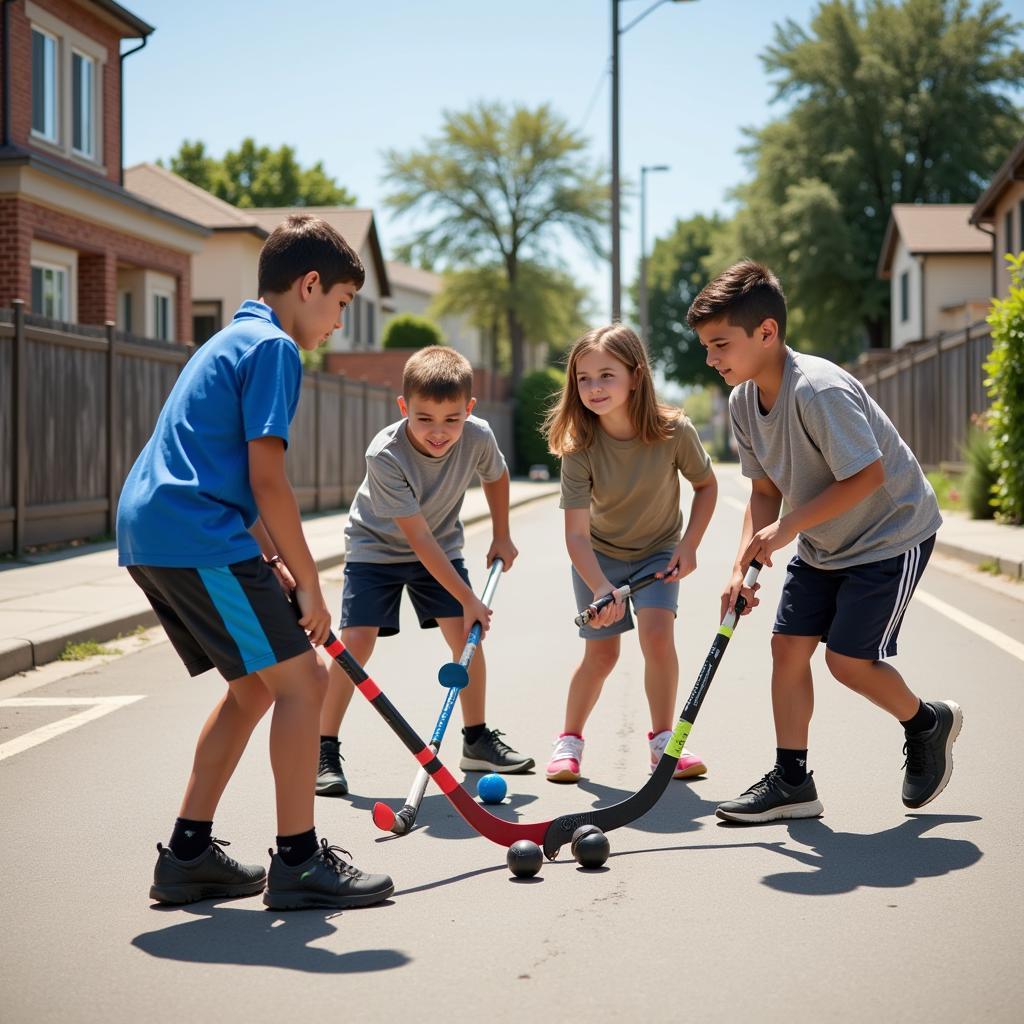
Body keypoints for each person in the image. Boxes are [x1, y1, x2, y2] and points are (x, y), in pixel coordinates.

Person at [117, 214, 394, 909]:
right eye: (339, 304)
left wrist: (264, 553)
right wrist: (310, 582)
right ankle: (298, 861)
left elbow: (218, 464)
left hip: (159, 529)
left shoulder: (230, 337)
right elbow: (267, 478)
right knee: (305, 682)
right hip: (196, 534)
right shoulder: (274, 348)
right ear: (308, 286)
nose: (336, 323)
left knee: (253, 689)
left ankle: (188, 856)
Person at [688, 259, 961, 824]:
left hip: (890, 533)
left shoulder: (818, 390)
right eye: (707, 347)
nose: (711, 359)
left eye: (720, 345)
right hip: (823, 541)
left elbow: (868, 476)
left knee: (847, 661)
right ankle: (793, 782)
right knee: (787, 648)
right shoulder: (743, 402)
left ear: (767, 332)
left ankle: (927, 724)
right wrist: (741, 566)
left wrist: (787, 528)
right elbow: (764, 491)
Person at [316, 345, 533, 796]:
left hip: (441, 543)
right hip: (376, 548)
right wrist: (470, 598)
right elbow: (417, 541)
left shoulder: (477, 435)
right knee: (356, 642)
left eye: (452, 419)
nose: (439, 432)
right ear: (403, 408)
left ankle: (476, 739)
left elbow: (496, 475)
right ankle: (324, 748)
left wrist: (501, 534)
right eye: (425, 419)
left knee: (465, 638)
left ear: (469, 409)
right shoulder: (385, 455)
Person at [543, 324, 718, 784]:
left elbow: (706, 486)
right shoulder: (578, 448)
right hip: (598, 559)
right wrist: (602, 587)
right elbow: (577, 536)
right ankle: (569, 742)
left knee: (658, 639)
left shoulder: (673, 431)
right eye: (584, 378)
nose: (594, 387)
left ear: (635, 376)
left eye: (606, 375)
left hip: (658, 552)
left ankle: (666, 742)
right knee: (601, 657)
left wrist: (689, 545)